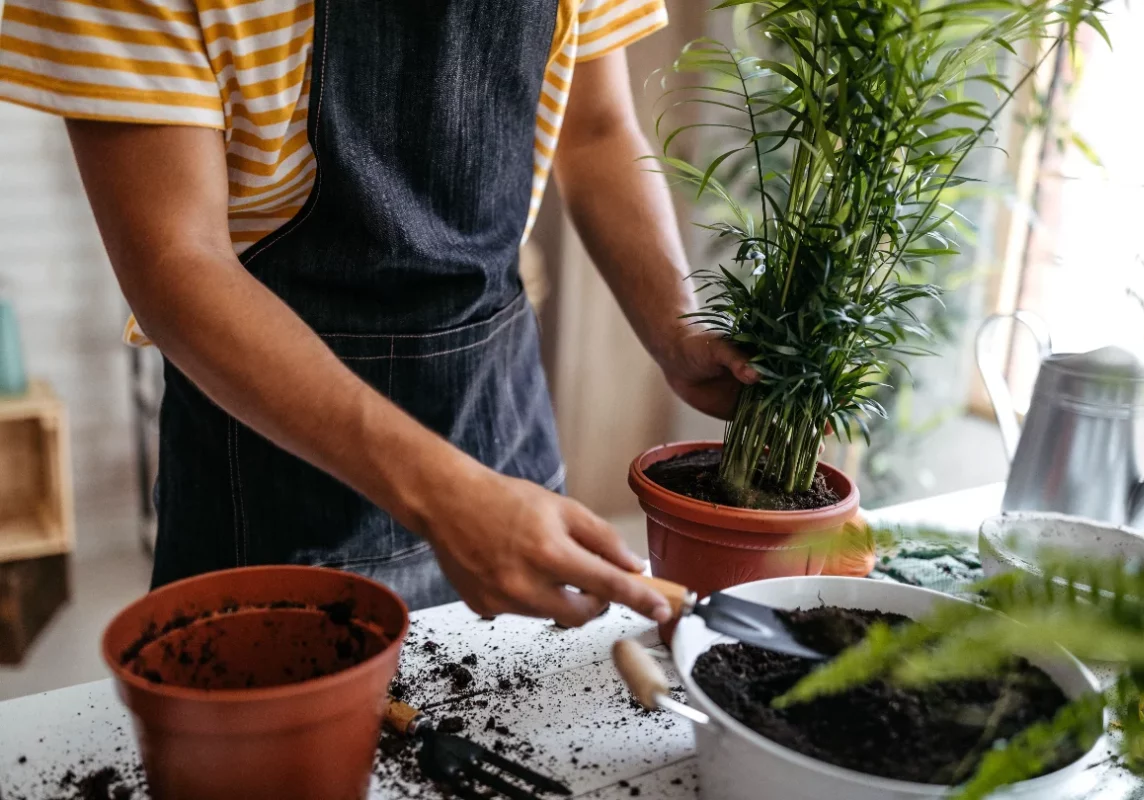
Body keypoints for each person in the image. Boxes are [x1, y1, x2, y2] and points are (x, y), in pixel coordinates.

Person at [0, 0, 759, 627]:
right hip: (273, 479)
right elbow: (175, 266)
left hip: (501, 420)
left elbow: (595, 132)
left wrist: (677, 327)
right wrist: (443, 494)